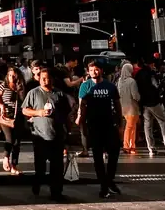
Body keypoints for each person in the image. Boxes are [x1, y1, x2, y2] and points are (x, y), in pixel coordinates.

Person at [22, 67, 70, 202]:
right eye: (42, 78)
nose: (45, 80)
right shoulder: (33, 93)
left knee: (57, 166)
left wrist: (68, 134)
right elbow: (25, 110)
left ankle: (56, 192)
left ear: (52, 79)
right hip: (40, 136)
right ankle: (37, 183)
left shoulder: (59, 94)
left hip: (57, 135)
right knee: (40, 167)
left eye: (47, 78)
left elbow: (67, 114)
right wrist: (39, 113)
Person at [79, 59, 122, 198]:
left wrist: (120, 121)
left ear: (101, 70)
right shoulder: (85, 86)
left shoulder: (110, 86)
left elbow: (117, 103)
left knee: (114, 152)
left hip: (109, 123)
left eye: (96, 69)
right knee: (97, 157)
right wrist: (82, 123)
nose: (93, 72)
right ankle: (104, 186)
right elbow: (82, 105)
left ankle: (109, 179)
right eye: (91, 70)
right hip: (93, 124)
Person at [0, 64, 26, 175]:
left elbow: (24, 101)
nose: (12, 78)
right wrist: (1, 106)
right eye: (10, 75)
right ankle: (6, 158)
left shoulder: (22, 87)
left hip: (19, 116)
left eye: (14, 76)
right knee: (10, 139)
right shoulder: (3, 86)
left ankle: (14, 165)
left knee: (17, 142)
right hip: (6, 116)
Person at [135, 57, 165, 156]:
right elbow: (156, 87)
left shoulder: (138, 75)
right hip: (155, 102)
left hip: (144, 103)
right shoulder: (151, 74)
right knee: (163, 122)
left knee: (148, 126)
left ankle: (151, 148)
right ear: (150, 64)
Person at [117, 63, 141, 154]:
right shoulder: (132, 81)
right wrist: (139, 98)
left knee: (131, 126)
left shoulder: (120, 81)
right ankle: (126, 146)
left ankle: (132, 145)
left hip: (123, 107)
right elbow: (135, 95)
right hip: (132, 107)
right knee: (130, 127)